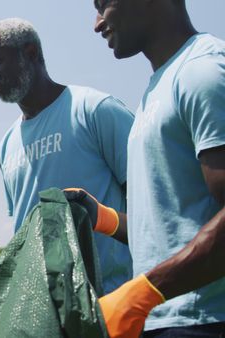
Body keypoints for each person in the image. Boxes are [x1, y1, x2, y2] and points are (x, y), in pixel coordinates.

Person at [71, 1, 225, 337]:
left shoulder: (203, 72)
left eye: (103, 4)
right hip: (164, 319)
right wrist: (107, 220)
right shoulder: (159, 86)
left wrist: (142, 293)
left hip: (206, 321)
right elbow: (175, 228)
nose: (97, 23)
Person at [0, 18, 134, 294]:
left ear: (30, 53)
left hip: (110, 303)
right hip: (43, 315)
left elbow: (151, 211)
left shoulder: (94, 110)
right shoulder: (6, 145)